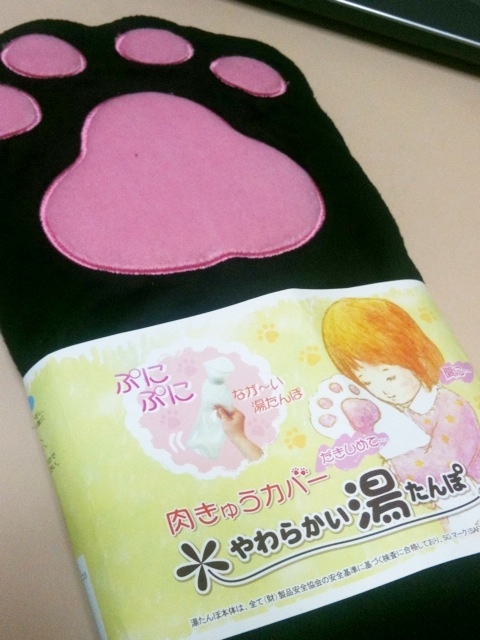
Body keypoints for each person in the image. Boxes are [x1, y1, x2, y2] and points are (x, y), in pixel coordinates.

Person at [321, 297, 480, 485]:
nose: (384, 391)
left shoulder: (451, 407)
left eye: (390, 377)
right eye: (367, 382)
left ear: (417, 357)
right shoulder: (398, 412)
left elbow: (443, 468)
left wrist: (392, 467)